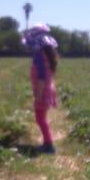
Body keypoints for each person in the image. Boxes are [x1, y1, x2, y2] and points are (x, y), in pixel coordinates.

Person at [23, 24, 59, 154]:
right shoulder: (47, 54)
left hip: (42, 91)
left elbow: (42, 78)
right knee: (41, 117)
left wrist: (38, 96)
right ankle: (48, 144)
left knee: (40, 118)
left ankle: (49, 145)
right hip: (46, 90)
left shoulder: (39, 56)